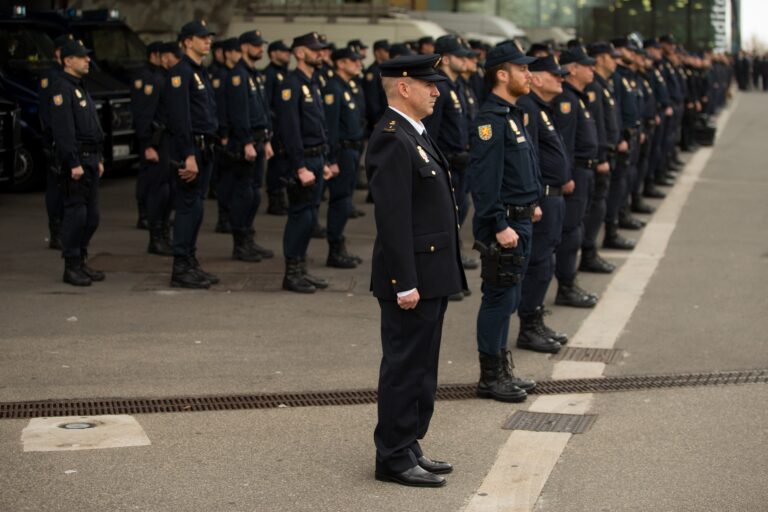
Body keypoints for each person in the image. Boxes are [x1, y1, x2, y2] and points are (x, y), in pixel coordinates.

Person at [367, 53, 467, 488]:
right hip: (412, 277)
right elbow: (393, 219)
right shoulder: (392, 137)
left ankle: (408, 444)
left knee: (423, 367)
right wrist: (404, 280)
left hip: (432, 271)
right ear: (403, 87)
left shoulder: (415, 133)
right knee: (405, 366)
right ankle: (391, 456)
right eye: (429, 84)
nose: (436, 91)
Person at [467, 43, 540, 402]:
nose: (529, 75)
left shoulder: (511, 115)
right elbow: (483, 181)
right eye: (521, 68)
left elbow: (518, 170)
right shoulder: (491, 121)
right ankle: (490, 377)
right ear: (501, 74)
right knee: (498, 299)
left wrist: (532, 202)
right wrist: (497, 223)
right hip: (505, 226)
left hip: (520, 221)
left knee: (508, 297)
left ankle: (502, 368)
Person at [515, 54, 571, 353]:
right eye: (555, 75)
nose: (561, 79)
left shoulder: (540, 108)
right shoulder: (527, 108)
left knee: (545, 261)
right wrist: (534, 198)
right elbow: (530, 156)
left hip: (554, 195)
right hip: (543, 197)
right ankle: (528, 327)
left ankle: (535, 318)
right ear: (537, 78)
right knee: (537, 263)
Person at [275, 32, 336, 293]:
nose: (320, 53)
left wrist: (321, 160)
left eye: (321, 49)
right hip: (302, 161)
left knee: (310, 216)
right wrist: (300, 166)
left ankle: (301, 269)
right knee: (300, 216)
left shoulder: (312, 82)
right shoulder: (291, 84)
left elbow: (316, 126)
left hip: (315, 157)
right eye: (315, 49)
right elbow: (290, 131)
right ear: (300, 53)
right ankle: (291, 273)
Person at [164, 20, 219, 289]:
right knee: (188, 207)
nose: (207, 41)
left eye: (208, 37)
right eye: (201, 37)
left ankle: (190, 260)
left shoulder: (199, 72)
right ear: (187, 42)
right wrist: (188, 154)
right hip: (190, 149)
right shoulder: (180, 72)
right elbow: (180, 118)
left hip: (203, 147)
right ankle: (180, 267)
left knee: (196, 208)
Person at [49, 39, 105, 286]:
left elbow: (91, 126)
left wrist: (99, 157)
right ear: (68, 61)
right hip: (77, 162)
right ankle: (71, 265)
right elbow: (64, 131)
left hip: (91, 159)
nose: (87, 60)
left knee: (92, 217)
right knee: (77, 215)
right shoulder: (61, 88)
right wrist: (73, 162)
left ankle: (81, 259)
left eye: (87, 56)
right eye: (82, 57)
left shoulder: (79, 87)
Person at [551, 46, 600, 308]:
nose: (592, 69)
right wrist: (566, 175)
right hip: (575, 174)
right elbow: (565, 143)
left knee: (577, 227)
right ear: (572, 69)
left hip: (585, 171)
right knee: (570, 232)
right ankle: (566, 286)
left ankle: (570, 282)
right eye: (587, 65)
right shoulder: (566, 100)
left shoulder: (578, 96)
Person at [222, 30, 275, 262]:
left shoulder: (254, 74)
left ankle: (248, 239)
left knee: (254, 194)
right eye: (255, 46)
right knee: (244, 194)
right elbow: (239, 113)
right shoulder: (238, 75)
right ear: (244, 47)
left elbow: (263, 110)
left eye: (261, 45)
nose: (260, 49)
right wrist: (246, 142)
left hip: (259, 140)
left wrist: (267, 139)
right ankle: (240, 243)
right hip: (247, 143)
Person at [322, 47, 365, 268]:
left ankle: (340, 246)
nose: (358, 63)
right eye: (353, 60)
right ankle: (334, 250)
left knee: (346, 200)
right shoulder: (333, 88)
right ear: (340, 63)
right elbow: (330, 127)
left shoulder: (349, 87)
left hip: (353, 150)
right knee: (340, 201)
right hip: (341, 152)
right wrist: (330, 159)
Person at [132, 41, 173, 256]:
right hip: (155, 141)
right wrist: (147, 144)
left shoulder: (163, 78)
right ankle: (154, 231)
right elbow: (144, 114)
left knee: (167, 191)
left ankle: (163, 232)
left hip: (166, 141)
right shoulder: (150, 79)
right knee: (156, 187)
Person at [39, 33, 73, 251]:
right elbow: (46, 112)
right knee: (55, 187)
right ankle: (56, 231)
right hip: (55, 141)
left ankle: (66, 229)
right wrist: (51, 140)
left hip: (68, 140)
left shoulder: (67, 76)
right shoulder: (51, 77)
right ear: (59, 53)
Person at [263, 40, 291, 216]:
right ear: (273, 53)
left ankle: (281, 197)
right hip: (275, 126)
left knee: (284, 165)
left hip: (285, 126)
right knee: (276, 165)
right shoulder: (270, 74)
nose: (288, 54)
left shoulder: (285, 73)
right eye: (283, 51)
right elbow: (267, 102)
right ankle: (274, 200)